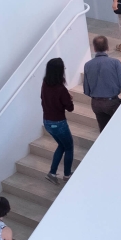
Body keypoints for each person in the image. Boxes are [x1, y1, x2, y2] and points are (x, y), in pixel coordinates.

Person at [83, 35, 121, 132]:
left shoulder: (87, 65)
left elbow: (86, 91)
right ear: (107, 47)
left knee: (104, 131)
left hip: (95, 104)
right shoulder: (115, 63)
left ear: (94, 49)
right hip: (112, 103)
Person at [42, 57, 74, 185]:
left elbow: (43, 98)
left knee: (62, 145)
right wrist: (69, 99)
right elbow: (70, 108)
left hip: (47, 122)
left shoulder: (44, 83)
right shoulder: (61, 89)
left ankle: (52, 172)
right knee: (69, 148)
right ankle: (67, 175)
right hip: (59, 123)